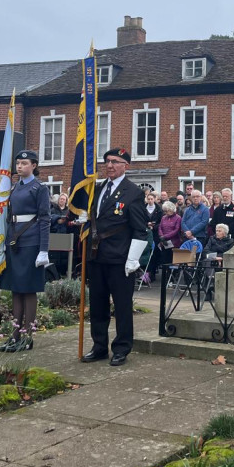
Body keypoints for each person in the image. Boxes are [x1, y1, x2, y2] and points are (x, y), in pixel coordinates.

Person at [80, 147, 148, 367]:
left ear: (126, 166)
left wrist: (133, 259)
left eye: (115, 161)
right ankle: (99, 346)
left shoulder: (133, 192)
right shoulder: (98, 189)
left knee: (122, 306)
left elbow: (140, 229)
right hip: (96, 255)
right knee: (98, 305)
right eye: (107, 161)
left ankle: (121, 347)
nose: (109, 165)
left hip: (120, 258)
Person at [0, 150, 52, 353]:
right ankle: (14, 335)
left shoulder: (39, 188)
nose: (19, 166)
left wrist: (43, 249)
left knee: (28, 289)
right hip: (14, 240)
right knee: (16, 288)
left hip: (31, 241)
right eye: (18, 163)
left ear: (34, 166)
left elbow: (45, 219)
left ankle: (27, 336)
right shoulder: (13, 187)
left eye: (24, 163)